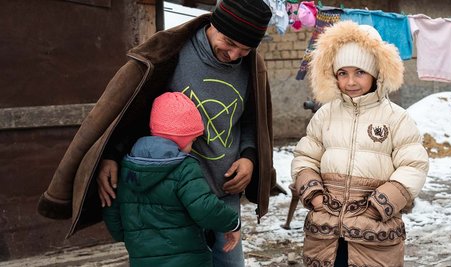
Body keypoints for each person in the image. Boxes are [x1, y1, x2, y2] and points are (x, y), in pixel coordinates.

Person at [37, 1, 275, 266]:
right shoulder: (170, 53)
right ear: (214, 24)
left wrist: (249, 157)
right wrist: (112, 155)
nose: (233, 55)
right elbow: (132, 112)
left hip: (224, 190)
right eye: (229, 42)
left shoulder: (252, 66)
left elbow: (253, 120)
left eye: (245, 49)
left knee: (229, 263)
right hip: (171, 192)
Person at [291, 21, 429, 266]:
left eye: (360, 72)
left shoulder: (395, 118)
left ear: (376, 72)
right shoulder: (325, 115)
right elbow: (306, 157)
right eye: (343, 73)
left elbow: (413, 165)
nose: (351, 81)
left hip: (374, 235)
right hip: (326, 232)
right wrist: (315, 196)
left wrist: (378, 206)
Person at [102, 92, 241, 266]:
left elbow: (113, 214)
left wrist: (134, 239)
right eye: (193, 140)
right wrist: (232, 224)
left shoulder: (127, 166)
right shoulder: (184, 168)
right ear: (181, 138)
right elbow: (204, 207)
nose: (192, 147)